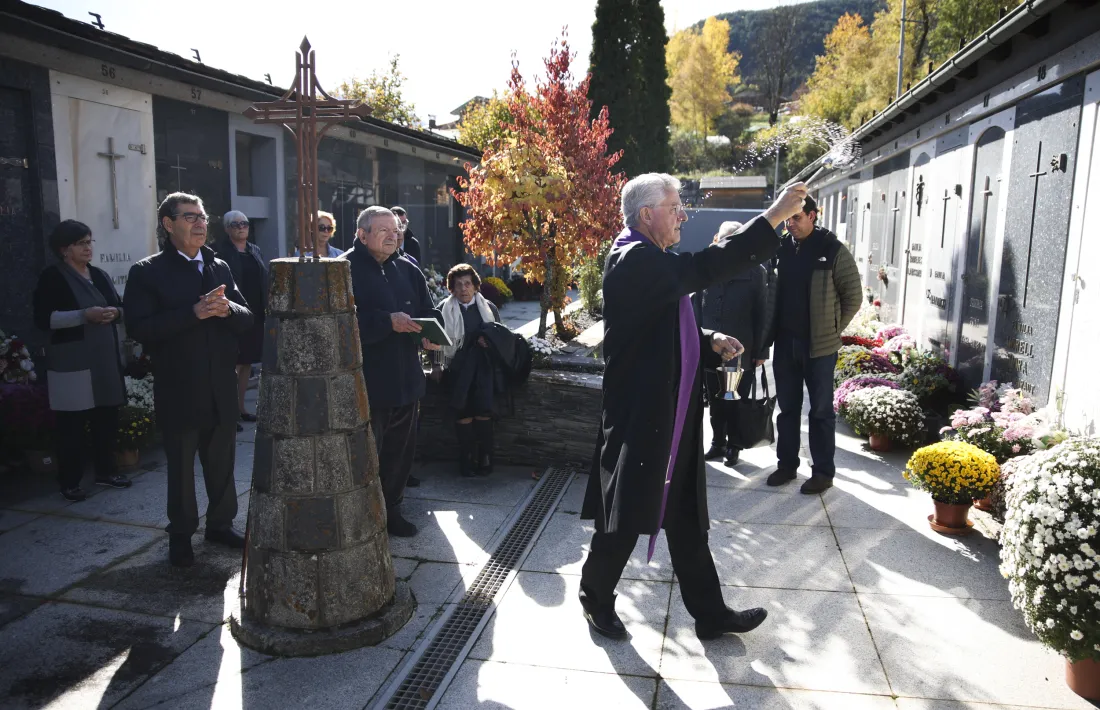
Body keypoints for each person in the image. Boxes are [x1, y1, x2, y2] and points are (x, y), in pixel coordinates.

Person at [579, 173, 809, 641]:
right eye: (674, 206)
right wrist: (773, 216)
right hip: (641, 417)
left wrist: (707, 340)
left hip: (674, 412)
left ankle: (709, 613)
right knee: (625, 517)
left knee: (686, 516)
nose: (683, 214)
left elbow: (661, 328)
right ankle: (595, 597)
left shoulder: (651, 258)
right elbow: (705, 268)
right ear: (647, 215)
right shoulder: (632, 258)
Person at [124, 192, 254, 567]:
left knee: (222, 464)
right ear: (168, 224)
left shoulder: (219, 266)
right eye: (190, 217)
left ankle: (220, 524)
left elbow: (247, 318)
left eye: (202, 216)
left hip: (220, 388)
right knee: (181, 469)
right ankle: (181, 534)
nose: (200, 223)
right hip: (180, 388)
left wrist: (227, 308)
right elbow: (140, 328)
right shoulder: (147, 272)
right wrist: (193, 312)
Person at [342, 206, 440, 537]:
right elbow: (338, 323)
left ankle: (392, 509)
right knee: (367, 455)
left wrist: (432, 333)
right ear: (362, 234)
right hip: (366, 380)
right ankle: (363, 518)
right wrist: (387, 322)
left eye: (396, 229)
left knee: (400, 452)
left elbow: (428, 310)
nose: (393, 235)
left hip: (406, 379)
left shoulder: (407, 267)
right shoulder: (344, 269)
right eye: (383, 230)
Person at [762, 194, 862, 494]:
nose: (790, 224)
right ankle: (786, 465)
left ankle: (822, 472)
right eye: (788, 219)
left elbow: (853, 298)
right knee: (788, 409)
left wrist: (831, 330)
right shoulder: (781, 249)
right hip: (785, 344)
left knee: (820, 411)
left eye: (797, 218)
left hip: (819, 347)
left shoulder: (832, 249)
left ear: (813, 215)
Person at [32, 220, 132, 501]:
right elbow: (44, 319)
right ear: (65, 249)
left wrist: (116, 312)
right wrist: (83, 315)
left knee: (106, 418)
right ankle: (70, 481)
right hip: (71, 360)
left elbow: (119, 305)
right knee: (71, 425)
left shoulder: (98, 275)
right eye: (81, 243)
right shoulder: (52, 277)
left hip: (103, 359)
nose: (88, 248)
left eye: (90, 242)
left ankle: (106, 471)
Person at [694, 222, 769, 466]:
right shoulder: (706, 267)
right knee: (715, 399)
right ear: (717, 240)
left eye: (734, 240)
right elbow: (695, 306)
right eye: (725, 240)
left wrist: (760, 351)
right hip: (710, 348)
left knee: (736, 401)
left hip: (740, 350)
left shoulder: (755, 271)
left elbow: (762, 314)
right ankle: (718, 442)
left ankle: (734, 445)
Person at [429, 264, 502, 477]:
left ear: (475, 286)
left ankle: (485, 457)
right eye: (458, 285)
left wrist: (489, 342)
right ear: (452, 288)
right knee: (463, 413)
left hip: (483, 370)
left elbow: (501, 337)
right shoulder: (444, 309)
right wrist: (436, 364)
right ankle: (467, 459)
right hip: (457, 369)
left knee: (483, 411)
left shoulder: (489, 308)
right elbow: (436, 340)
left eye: (467, 284)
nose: (463, 289)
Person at [215, 210, 267, 432]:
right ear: (227, 229)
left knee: (246, 364)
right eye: (235, 224)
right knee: (231, 364)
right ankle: (227, 412)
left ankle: (240, 408)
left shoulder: (254, 250)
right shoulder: (220, 253)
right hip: (233, 313)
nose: (240, 227)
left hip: (254, 313)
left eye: (244, 223)